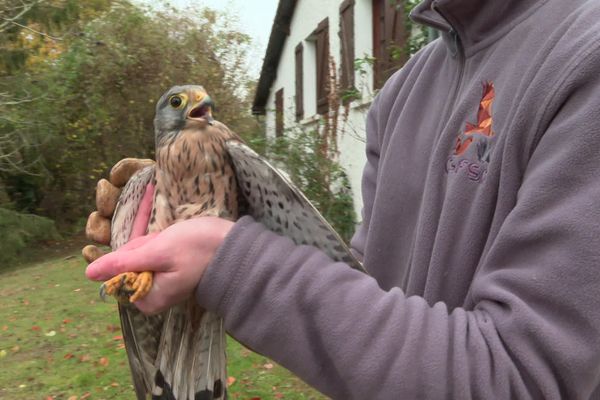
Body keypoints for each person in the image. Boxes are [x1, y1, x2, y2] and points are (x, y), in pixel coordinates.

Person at [85, 0, 600, 398]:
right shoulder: (400, 95)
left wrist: (233, 261)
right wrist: (191, 247)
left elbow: (521, 379)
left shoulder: (583, 58)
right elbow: (363, 299)